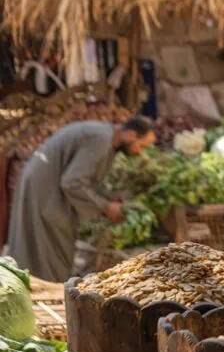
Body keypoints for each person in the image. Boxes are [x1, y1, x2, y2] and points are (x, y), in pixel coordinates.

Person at [8, 116, 156, 282]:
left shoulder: (106, 137)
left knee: (41, 248)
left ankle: (37, 287)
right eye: (142, 146)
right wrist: (106, 206)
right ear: (131, 134)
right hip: (45, 190)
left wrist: (106, 197)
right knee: (51, 251)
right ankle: (48, 293)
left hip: (44, 185)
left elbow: (85, 178)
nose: (140, 152)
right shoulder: (101, 139)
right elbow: (72, 182)